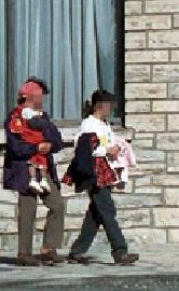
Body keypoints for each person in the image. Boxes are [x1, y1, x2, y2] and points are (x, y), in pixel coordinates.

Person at [64, 90, 139, 266]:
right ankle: (120, 251)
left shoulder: (104, 125)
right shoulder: (89, 124)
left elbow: (105, 142)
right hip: (94, 171)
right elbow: (84, 148)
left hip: (104, 170)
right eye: (108, 105)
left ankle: (76, 252)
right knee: (107, 210)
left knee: (96, 213)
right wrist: (106, 150)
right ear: (99, 105)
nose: (110, 109)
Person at [3, 77, 65, 266]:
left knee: (57, 205)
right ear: (29, 97)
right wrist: (36, 148)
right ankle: (24, 253)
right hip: (24, 169)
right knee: (28, 210)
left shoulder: (42, 117)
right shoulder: (15, 117)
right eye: (39, 96)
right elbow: (15, 147)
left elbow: (57, 140)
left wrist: (48, 145)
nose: (42, 99)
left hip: (44, 168)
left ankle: (48, 248)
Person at [19, 105, 51, 195]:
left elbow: (54, 137)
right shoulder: (25, 115)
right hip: (31, 147)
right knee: (32, 162)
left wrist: (49, 144)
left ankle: (43, 180)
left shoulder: (41, 116)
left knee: (42, 162)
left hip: (40, 145)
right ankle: (33, 180)